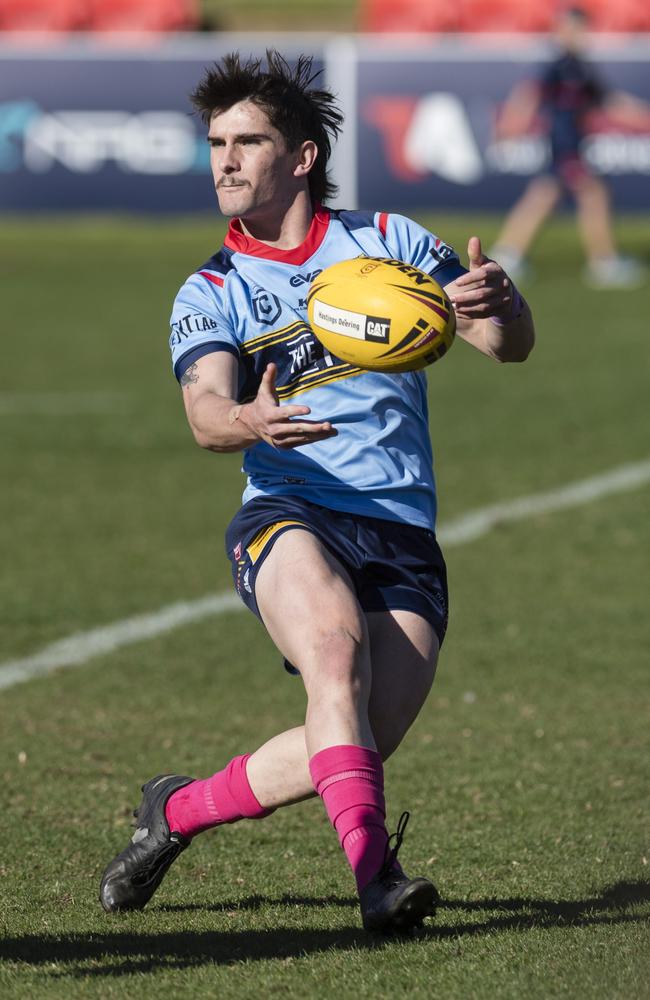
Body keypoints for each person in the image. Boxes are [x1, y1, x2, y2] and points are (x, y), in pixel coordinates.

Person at [99, 51, 534, 933]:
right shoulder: (213, 287)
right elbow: (204, 414)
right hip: (290, 511)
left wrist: (500, 299)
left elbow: (505, 344)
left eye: (246, 140)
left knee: (356, 737)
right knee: (333, 659)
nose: (223, 159)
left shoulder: (393, 243)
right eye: (216, 141)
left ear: (300, 156)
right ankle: (377, 879)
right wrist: (248, 420)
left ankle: (173, 810)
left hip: (400, 524)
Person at [490, 5, 649, 289]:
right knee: (593, 194)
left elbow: (609, 102)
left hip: (573, 142)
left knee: (544, 196)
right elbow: (529, 94)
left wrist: (643, 117)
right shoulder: (557, 64)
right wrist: (513, 126)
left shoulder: (581, 67)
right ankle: (604, 262)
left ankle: (507, 256)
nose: (580, 34)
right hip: (563, 143)